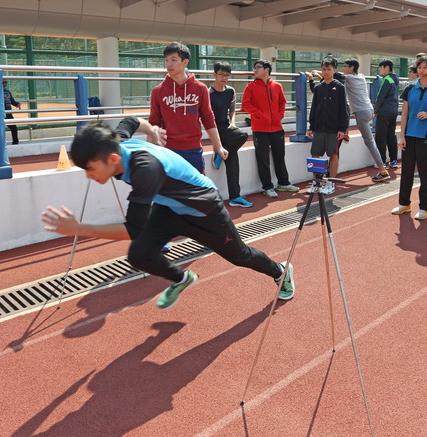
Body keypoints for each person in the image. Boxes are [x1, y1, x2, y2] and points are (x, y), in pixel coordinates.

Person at [41, 118, 294, 309]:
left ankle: (280, 272)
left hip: (203, 208)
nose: (89, 175)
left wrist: (79, 228)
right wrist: (151, 129)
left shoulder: (145, 169)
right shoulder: (114, 142)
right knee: (139, 255)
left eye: (90, 168)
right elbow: (130, 121)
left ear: (113, 159)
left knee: (240, 255)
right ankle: (182, 278)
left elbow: (133, 229)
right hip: (170, 206)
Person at [148, 42, 227, 174]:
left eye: (173, 60)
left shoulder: (200, 88)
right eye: (166, 60)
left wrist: (218, 146)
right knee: (171, 191)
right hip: (168, 151)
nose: (168, 64)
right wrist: (150, 150)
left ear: (185, 62)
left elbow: (208, 118)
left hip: (193, 150)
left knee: (196, 191)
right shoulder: (157, 91)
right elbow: (153, 123)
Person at [392, 57, 427, 219]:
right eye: (419, 67)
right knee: (407, 171)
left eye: (425, 68)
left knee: (425, 173)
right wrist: (401, 136)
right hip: (409, 136)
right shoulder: (409, 89)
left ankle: (424, 207)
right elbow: (405, 114)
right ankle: (404, 204)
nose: (422, 70)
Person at [241, 59, 298, 198]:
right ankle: (267, 187)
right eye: (254, 68)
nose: (255, 70)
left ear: (266, 69)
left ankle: (283, 183)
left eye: (258, 67)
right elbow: (245, 105)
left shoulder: (277, 86)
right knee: (263, 159)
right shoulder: (250, 87)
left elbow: (282, 103)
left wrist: (279, 115)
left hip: (277, 127)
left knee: (280, 156)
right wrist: (260, 115)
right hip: (260, 128)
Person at [209, 61, 253, 208]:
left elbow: (232, 110)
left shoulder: (230, 91)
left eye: (227, 75)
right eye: (221, 74)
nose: (224, 78)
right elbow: (205, 116)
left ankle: (234, 197)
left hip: (226, 127)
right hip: (215, 128)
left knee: (232, 155)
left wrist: (233, 122)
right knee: (241, 139)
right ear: (214, 74)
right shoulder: (208, 93)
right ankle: (235, 196)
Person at [307, 58, 349, 195]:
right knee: (315, 155)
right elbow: (314, 108)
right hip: (318, 127)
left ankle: (331, 182)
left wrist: (343, 129)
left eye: (329, 69)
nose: (326, 72)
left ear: (334, 70)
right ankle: (317, 182)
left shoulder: (340, 87)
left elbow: (344, 109)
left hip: (334, 129)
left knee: (334, 154)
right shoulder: (318, 88)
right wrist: (311, 126)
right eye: (324, 69)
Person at [372, 59, 400, 169]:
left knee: (380, 137)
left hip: (384, 112)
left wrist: (375, 110)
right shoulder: (395, 79)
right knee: (391, 136)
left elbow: (381, 97)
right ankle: (393, 160)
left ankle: (382, 161)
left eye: (380, 67)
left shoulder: (386, 79)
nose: (379, 70)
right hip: (393, 111)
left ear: (387, 68)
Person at [3, 79, 21, 145]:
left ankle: (15, 142)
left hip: (9, 112)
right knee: (0, 129)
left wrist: (17, 104)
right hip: (1, 113)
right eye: (3, 82)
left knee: (13, 127)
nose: (5, 83)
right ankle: (1, 143)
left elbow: (12, 101)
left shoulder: (7, 91)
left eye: (6, 82)